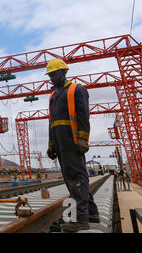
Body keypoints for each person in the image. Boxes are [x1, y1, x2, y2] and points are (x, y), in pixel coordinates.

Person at [45, 58, 100, 232]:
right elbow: (52, 122)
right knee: (74, 178)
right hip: (60, 143)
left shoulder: (77, 89)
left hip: (72, 141)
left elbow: (84, 115)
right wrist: (51, 144)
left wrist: (83, 138)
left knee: (76, 179)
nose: (53, 77)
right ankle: (91, 213)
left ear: (64, 72)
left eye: (55, 74)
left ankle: (81, 220)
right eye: (50, 75)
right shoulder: (54, 95)